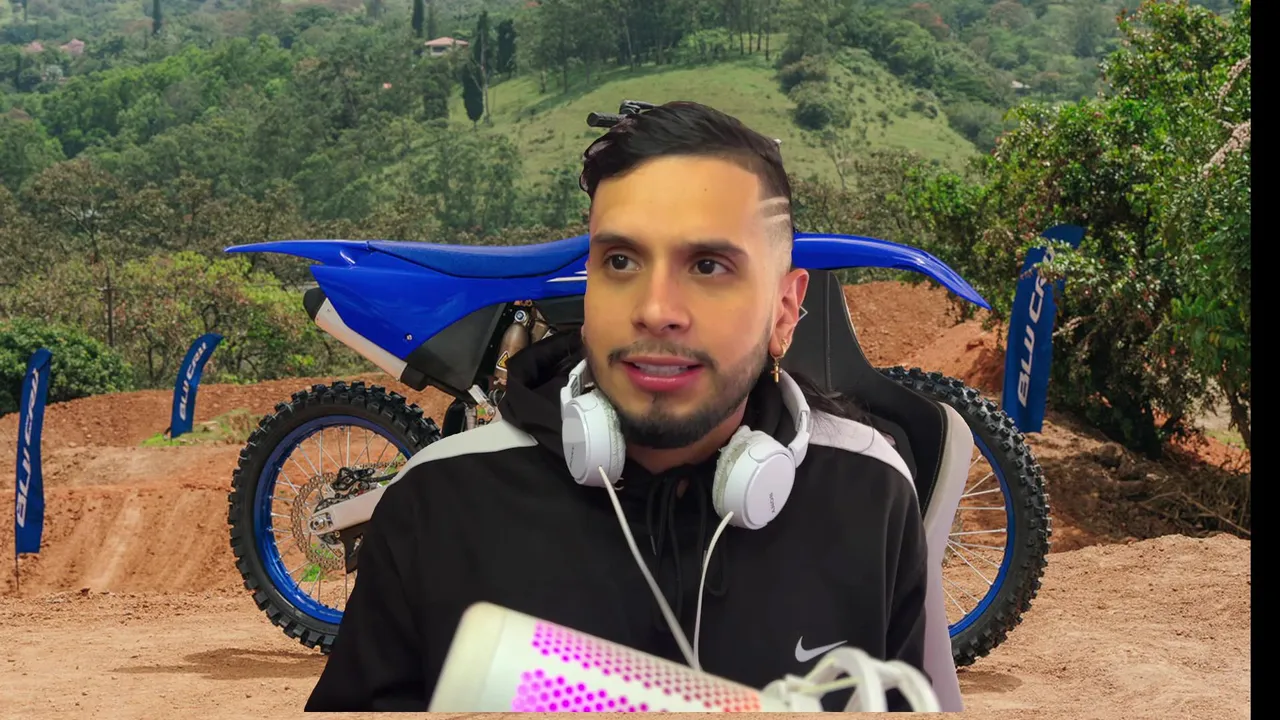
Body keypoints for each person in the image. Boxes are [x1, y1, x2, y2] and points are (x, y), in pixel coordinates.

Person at [304, 101, 930, 712]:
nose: (655, 310)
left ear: (785, 312)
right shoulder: (436, 503)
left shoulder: (871, 496)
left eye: (708, 265)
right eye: (621, 261)